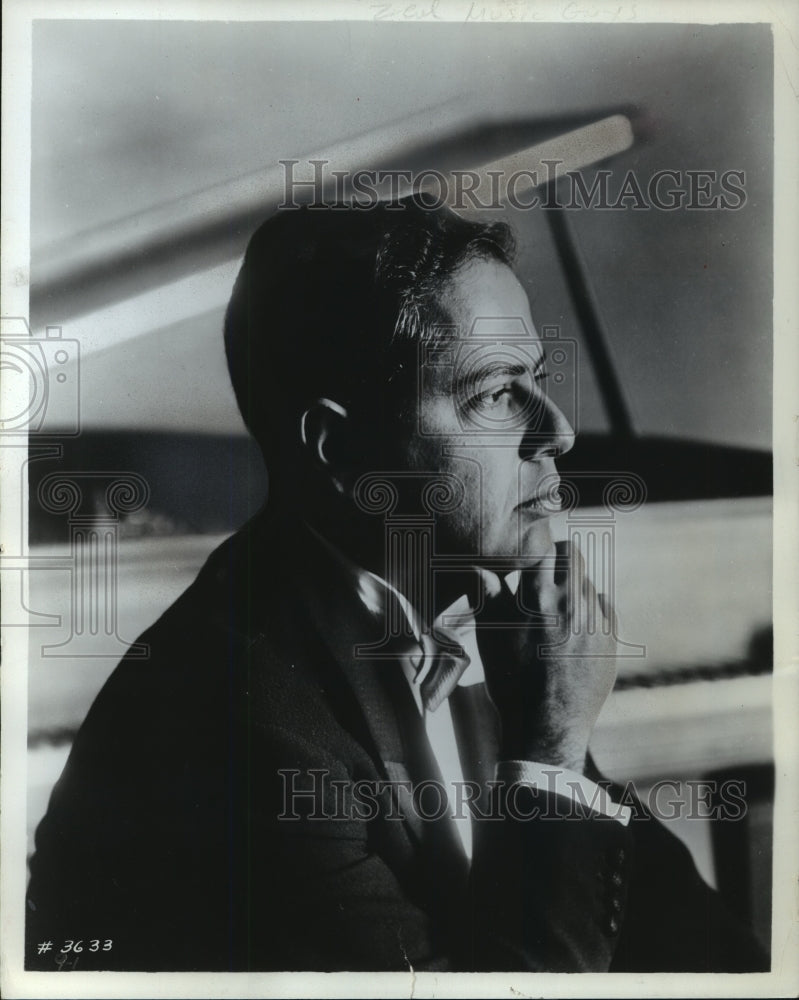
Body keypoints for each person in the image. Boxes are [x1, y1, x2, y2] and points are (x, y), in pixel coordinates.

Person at [26, 195, 767, 972]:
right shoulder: (236, 722)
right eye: (495, 392)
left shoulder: (460, 607)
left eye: (538, 379)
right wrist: (548, 751)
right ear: (343, 450)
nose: (559, 431)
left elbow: (700, 948)